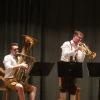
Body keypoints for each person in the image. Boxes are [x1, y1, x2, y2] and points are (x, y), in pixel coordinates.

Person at [59, 31, 86, 100]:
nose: (80, 40)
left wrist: (83, 53)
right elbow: (65, 54)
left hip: (73, 67)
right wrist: (76, 50)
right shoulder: (67, 43)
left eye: (81, 38)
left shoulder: (79, 46)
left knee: (73, 88)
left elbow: (80, 60)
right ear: (74, 36)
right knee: (63, 87)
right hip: (64, 66)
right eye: (79, 38)